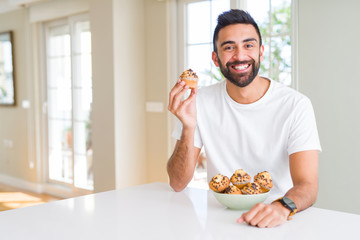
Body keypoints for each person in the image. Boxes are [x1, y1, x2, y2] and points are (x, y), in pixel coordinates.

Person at [167, 9, 321, 228]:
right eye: (229, 47)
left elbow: (308, 185)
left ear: (261, 52)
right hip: (218, 218)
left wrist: (280, 207)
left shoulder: (296, 105)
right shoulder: (198, 102)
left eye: (248, 45)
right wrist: (188, 127)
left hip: (278, 217)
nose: (240, 56)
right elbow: (177, 183)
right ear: (215, 58)